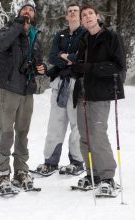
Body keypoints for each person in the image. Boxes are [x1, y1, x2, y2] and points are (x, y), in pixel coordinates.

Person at [71, 5, 126, 195]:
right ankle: (92, 173)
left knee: (97, 134)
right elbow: (79, 64)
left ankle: (107, 177)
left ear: (97, 16)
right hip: (83, 94)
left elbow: (118, 65)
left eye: (89, 14)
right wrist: (75, 66)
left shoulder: (110, 37)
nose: (86, 17)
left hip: (101, 94)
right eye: (83, 15)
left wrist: (90, 68)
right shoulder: (83, 39)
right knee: (85, 136)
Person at [0, 0, 46, 194]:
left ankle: (21, 170)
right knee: (7, 132)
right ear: (18, 13)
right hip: (9, 89)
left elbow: (38, 62)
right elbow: (0, 45)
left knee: (23, 131)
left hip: (27, 90)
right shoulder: (7, 29)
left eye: (31, 10)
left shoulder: (36, 35)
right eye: (24, 9)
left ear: (34, 15)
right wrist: (17, 26)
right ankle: (3, 172)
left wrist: (41, 68)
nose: (27, 12)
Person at [35, 3, 85, 176]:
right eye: (69, 11)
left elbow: (81, 58)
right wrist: (67, 58)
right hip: (59, 83)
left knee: (77, 124)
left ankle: (77, 161)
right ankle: (50, 162)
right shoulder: (60, 34)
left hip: (77, 83)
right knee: (55, 124)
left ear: (80, 16)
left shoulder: (85, 34)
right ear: (66, 16)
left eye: (75, 11)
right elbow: (52, 57)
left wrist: (65, 56)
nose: (72, 13)